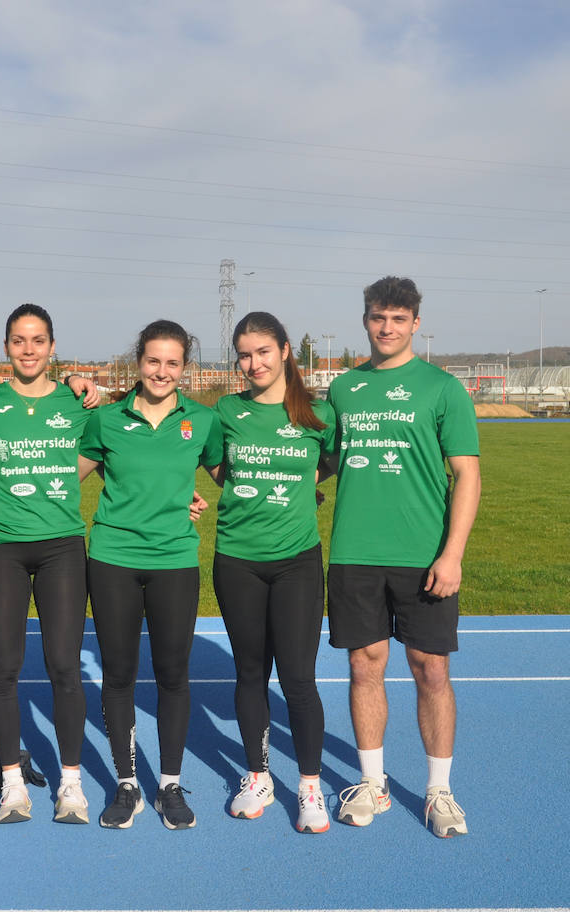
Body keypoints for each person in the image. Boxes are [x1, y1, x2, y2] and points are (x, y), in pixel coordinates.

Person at [325, 276, 481, 838]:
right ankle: (373, 783)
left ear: (415, 323)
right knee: (364, 664)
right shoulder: (344, 390)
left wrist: (453, 553)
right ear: (365, 320)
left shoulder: (443, 389)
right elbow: (321, 461)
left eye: (397, 318)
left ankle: (440, 791)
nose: (386, 328)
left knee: (431, 670)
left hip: (422, 556)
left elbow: (467, 474)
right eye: (376, 317)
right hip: (353, 554)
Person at [77, 319, 222, 830]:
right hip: (113, 558)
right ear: (138, 361)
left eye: (172, 362)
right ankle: (126, 785)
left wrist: (303, 484)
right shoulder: (106, 420)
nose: (162, 371)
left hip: (175, 562)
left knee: (172, 676)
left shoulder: (201, 422)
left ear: (186, 368)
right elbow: (59, 473)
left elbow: (236, 475)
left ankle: (170, 786)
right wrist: (3, 489)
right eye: (153, 361)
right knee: (118, 676)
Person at [0, 303, 94, 825]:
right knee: (5, 669)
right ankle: (13, 784)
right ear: (6, 347)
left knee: (65, 667)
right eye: (19, 340)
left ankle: (70, 784)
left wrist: (183, 503)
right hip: (2, 547)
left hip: (62, 546)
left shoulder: (79, 401)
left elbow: (129, 451)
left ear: (53, 347)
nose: (29, 350)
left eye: (38, 340)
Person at [212, 311, 336, 834]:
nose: (253, 362)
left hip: (296, 563)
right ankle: (258, 775)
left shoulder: (320, 415)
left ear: (285, 350)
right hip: (237, 560)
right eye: (244, 353)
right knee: (249, 674)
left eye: (262, 351)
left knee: (299, 680)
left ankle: (310, 786)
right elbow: (220, 470)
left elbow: (328, 463)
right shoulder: (225, 411)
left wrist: (301, 486)